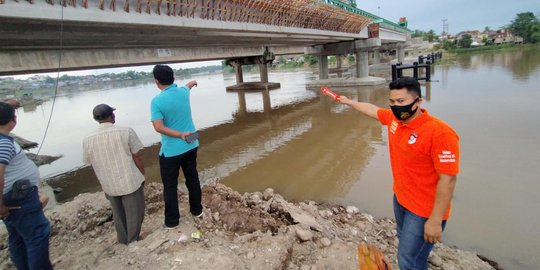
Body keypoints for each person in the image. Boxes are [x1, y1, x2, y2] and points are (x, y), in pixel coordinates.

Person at [338, 77, 459, 270]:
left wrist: (435, 220)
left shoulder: (440, 133)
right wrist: (349, 102)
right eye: (392, 102)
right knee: (408, 248)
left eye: (401, 102)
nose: (396, 106)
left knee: (408, 261)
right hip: (401, 200)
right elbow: (372, 110)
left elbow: (448, 179)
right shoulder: (395, 120)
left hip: (423, 211)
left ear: (418, 101)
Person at [83, 104, 146, 244]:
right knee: (135, 211)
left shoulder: (87, 139)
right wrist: (142, 174)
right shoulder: (126, 131)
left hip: (108, 183)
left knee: (118, 213)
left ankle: (123, 239)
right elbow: (136, 156)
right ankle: (134, 239)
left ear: (96, 119)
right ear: (112, 115)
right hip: (129, 180)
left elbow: (91, 162)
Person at [0, 101, 53, 269]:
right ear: (12, 120)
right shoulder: (4, 143)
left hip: (12, 197)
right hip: (19, 198)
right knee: (37, 236)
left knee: (17, 237)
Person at [151, 64, 203, 229]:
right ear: (173, 77)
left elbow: (158, 127)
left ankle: (172, 222)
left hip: (172, 149)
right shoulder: (182, 92)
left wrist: (180, 135)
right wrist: (192, 82)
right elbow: (187, 87)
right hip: (192, 140)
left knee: (170, 186)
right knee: (192, 177)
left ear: (157, 82)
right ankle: (197, 210)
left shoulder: (157, 101)